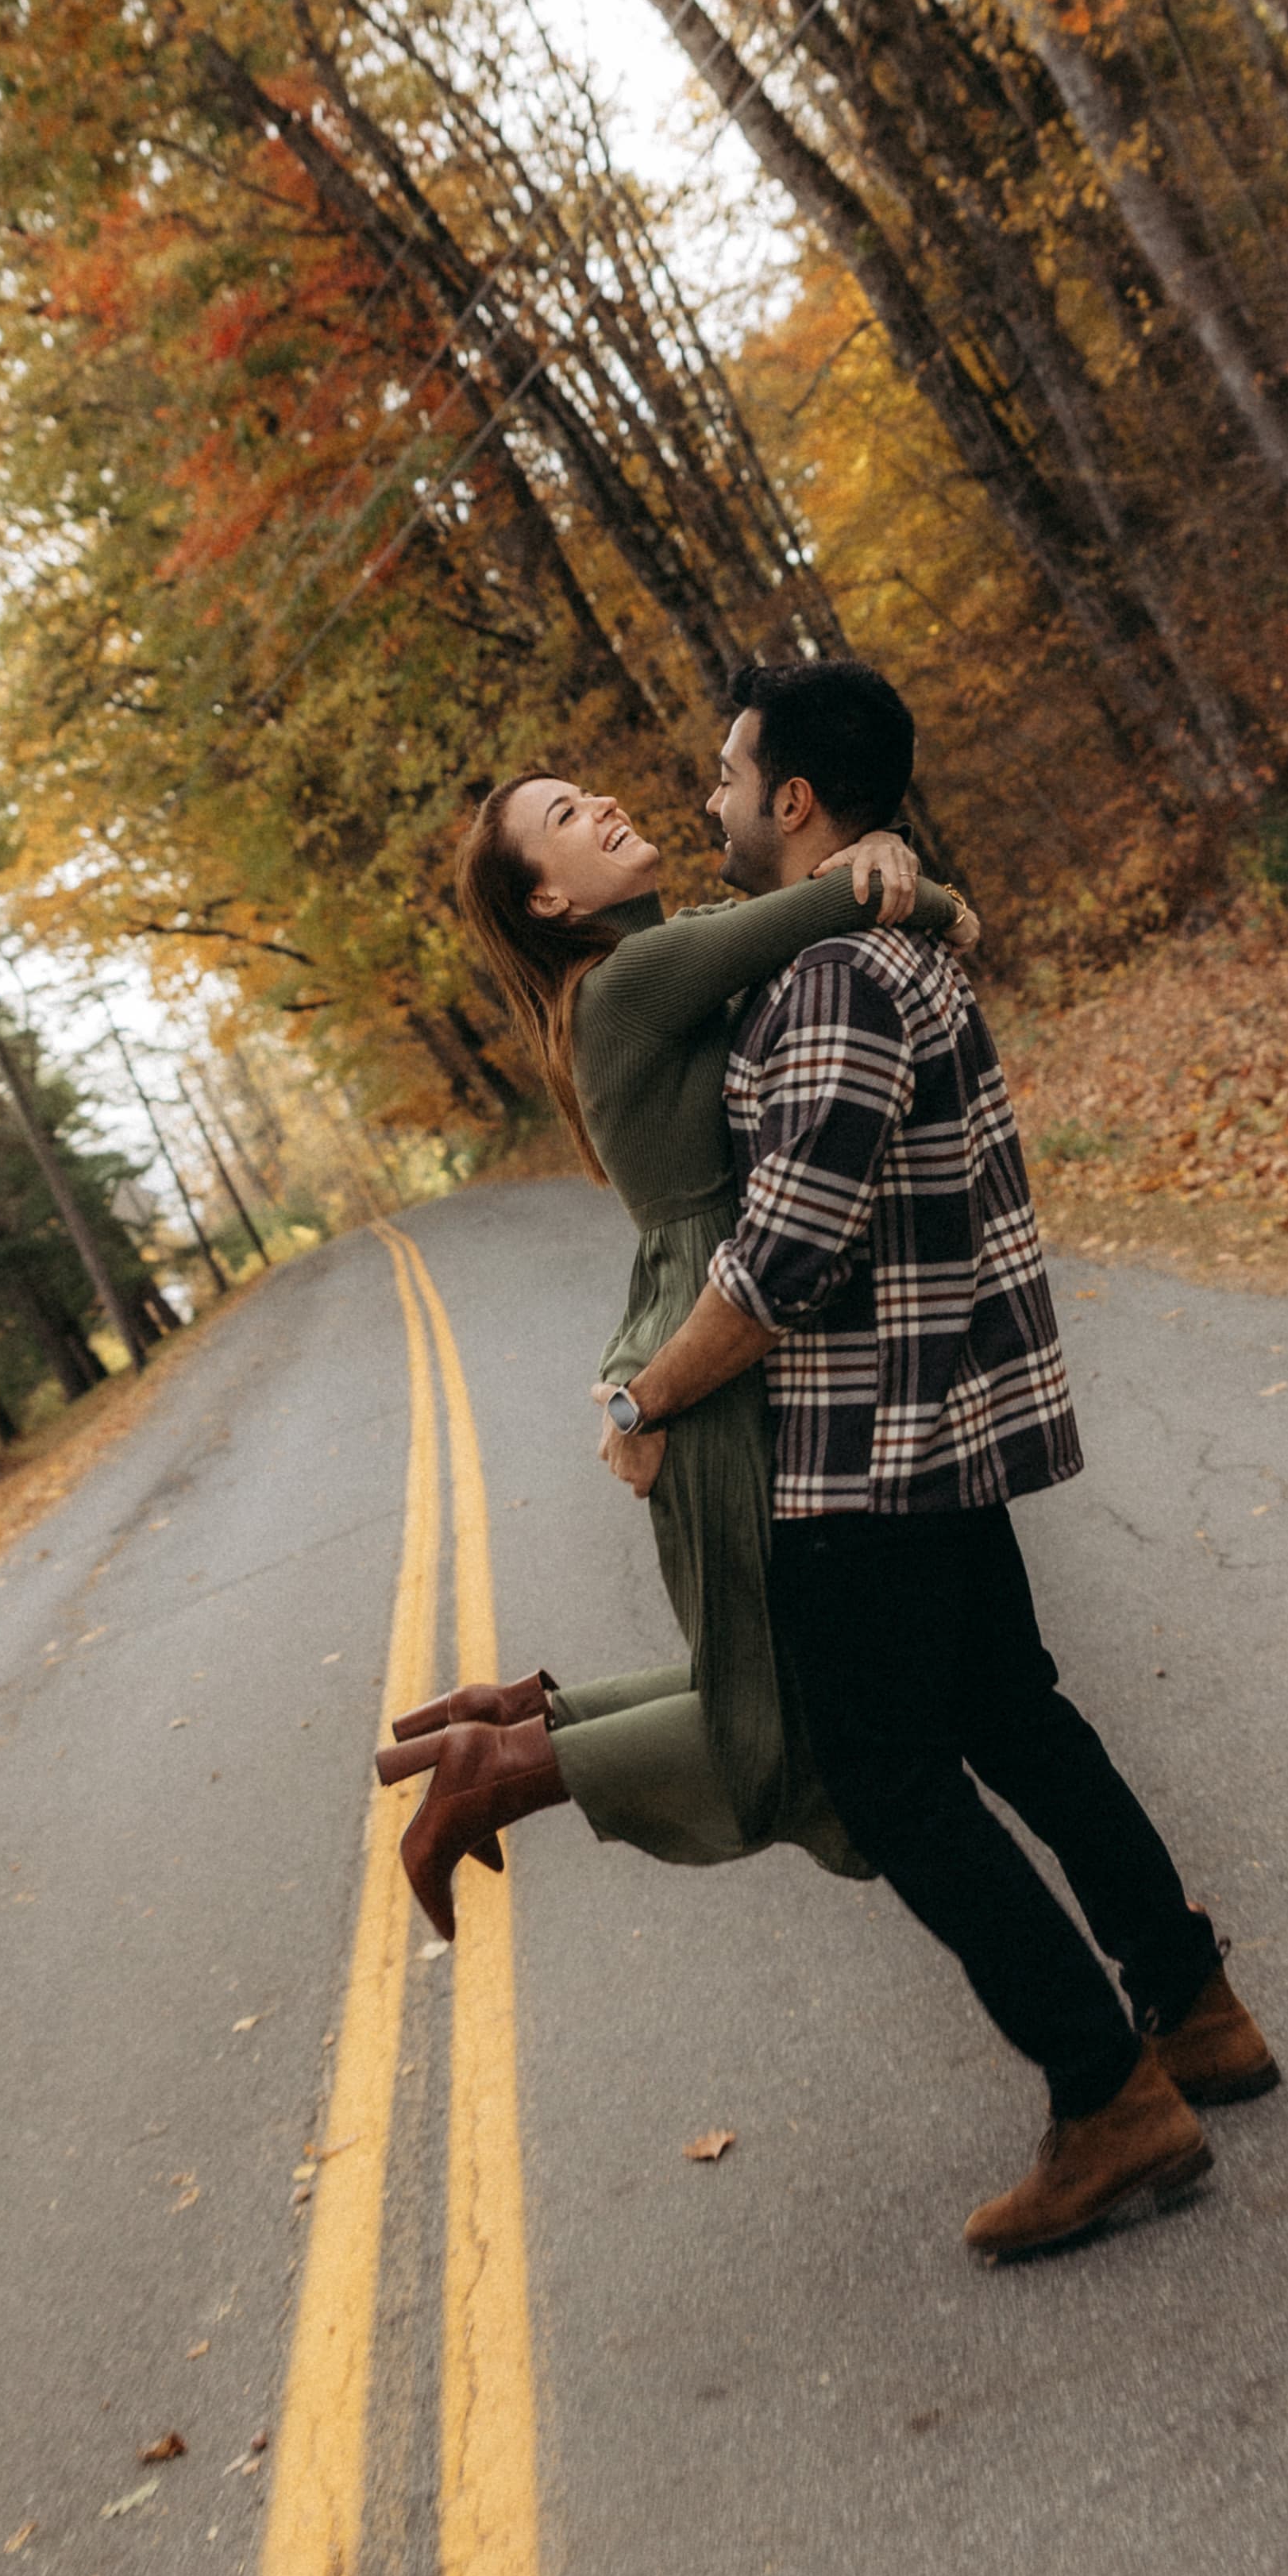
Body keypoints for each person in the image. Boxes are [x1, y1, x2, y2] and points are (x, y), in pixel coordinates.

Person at [608, 658, 1278, 2264]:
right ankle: (1192, 2011)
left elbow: (784, 1263)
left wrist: (646, 1401)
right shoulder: (885, 941)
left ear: (792, 800)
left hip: (867, 1459)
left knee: (893, 1779)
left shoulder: (833, 980)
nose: (704, 799)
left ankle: (1105, 2096)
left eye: (723, 773)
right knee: (1016, 1721)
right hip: (942, 1434)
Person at [375, 769, 973, 1935]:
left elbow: (815, 906)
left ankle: (505, 1730)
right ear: (548, 902)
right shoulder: (633, 978)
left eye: (583, 790)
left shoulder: (666, 949)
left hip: (702, 1323)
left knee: (773, 1674)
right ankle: (497, 1771)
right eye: (563, 820)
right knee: (778, 1716)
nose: (598, 803)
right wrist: (927, 890)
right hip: (718, 1355)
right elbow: (834, 900)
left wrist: (901, 877)